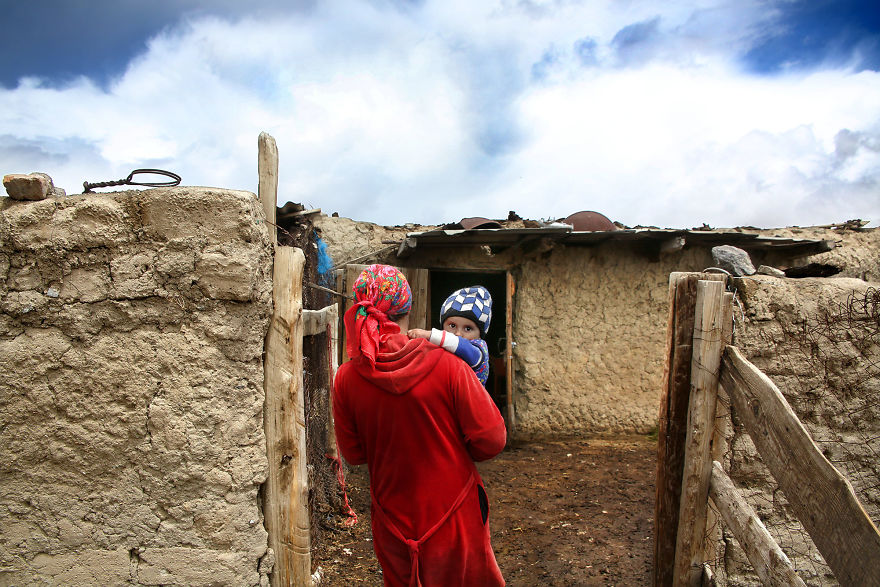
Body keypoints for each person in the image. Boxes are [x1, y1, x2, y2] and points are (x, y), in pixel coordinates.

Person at [333, 265, 506, 587]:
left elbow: (355, 454)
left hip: (392, 517)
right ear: (407, 309)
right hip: (454, 511)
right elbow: (491, 440)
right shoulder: (449, 365)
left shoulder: (347, 376)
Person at [407, 286, 492, 386]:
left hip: (469, 400)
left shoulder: (478, 350)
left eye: (468, 328)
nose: (458, 334)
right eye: (452, 326)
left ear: (480, 334)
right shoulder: (444, 346)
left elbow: (461, 345)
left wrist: (428, 334)